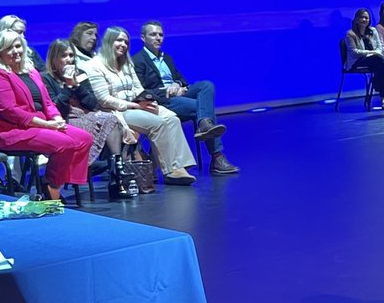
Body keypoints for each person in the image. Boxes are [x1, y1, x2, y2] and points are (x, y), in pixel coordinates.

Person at [0, 29, 92, 201]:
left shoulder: (31, 71)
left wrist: (56, 118)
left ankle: (53, 182)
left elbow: (47, 102)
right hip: (12, 130)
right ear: (0, 52)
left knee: (84, 138)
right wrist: (46, 124)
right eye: (8, 48)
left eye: (17, 46)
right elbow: (10, 111)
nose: (15, 51)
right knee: (65, 144)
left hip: (39, 123)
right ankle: (51, 186)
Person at [88, 26, 196, 184]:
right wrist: (134, 106)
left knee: (172, 118)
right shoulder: (95, 65)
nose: (123, 45)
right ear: (109, 41)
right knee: (158, 123)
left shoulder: (126, 62)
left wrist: (145, 100)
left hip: (136, 105)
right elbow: (104, 99)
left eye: (125, 41)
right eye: (119, 40)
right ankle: (170, 171)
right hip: (115, 111)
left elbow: (138, 87)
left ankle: (180, 166)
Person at [133, 20, 239, 173]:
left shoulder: (167, 58)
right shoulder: (138, 61)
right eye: (153, 34)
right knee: (202, 108)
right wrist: (166, 91)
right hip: (163, 101)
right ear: (143, 38)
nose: (158, 38)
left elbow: (182, 80)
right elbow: (142, 91)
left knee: (206, 85)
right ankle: (217, 157)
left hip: (177, 94)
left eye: (161, 35)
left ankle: (204, 124)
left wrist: (176, 84)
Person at [42, 37, 125, 167]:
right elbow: (56, 108)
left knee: (111, 119)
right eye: (64, 56)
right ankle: (86, 165)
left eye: (71, 55)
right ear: (54, 59)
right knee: (98, 122)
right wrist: (69, 87)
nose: (69, 59)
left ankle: (117, 168)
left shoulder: (80, 74)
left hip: (85, 114)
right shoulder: (45, 79)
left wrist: (78, 86)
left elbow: (92, 104)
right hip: (65, 119)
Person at [339, 8, 384, 111]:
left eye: (366, 18)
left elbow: (379, 47)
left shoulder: (373, 31)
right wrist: (372, 53)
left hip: (374, 60)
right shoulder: (350, 34)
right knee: (377, 60)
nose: (364, 20)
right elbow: (354, 52)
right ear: (356, 19)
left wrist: (375, 53)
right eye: (362, 17)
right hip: (357, 61)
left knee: (379, 67)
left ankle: (383, 99)